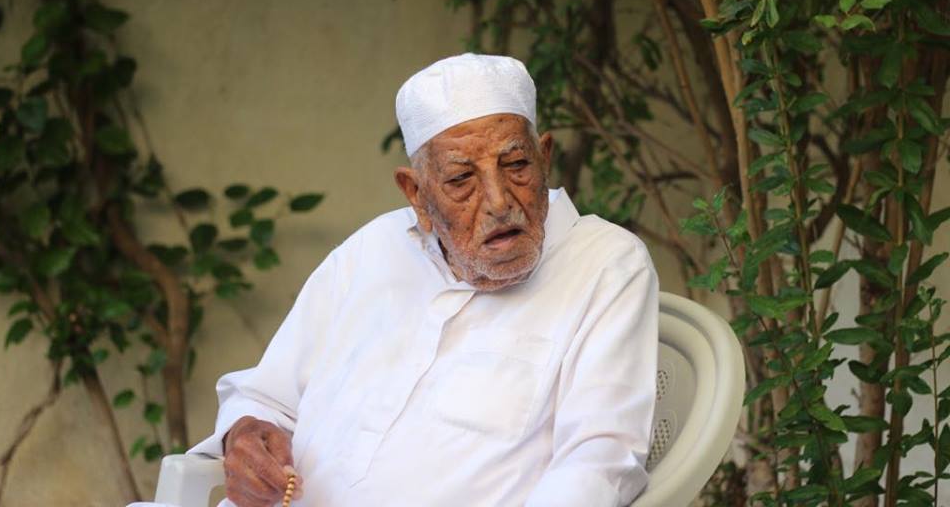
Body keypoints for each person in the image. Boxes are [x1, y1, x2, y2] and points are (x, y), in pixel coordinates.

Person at [173, 53, 659, 507]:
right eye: (461, 180)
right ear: (416, 194)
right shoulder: (373, 249)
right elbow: (266, 395)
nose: (498, 202)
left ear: (544, 157)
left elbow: (599, 460)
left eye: (516, 166)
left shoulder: (605, 263)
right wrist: (245, 435)